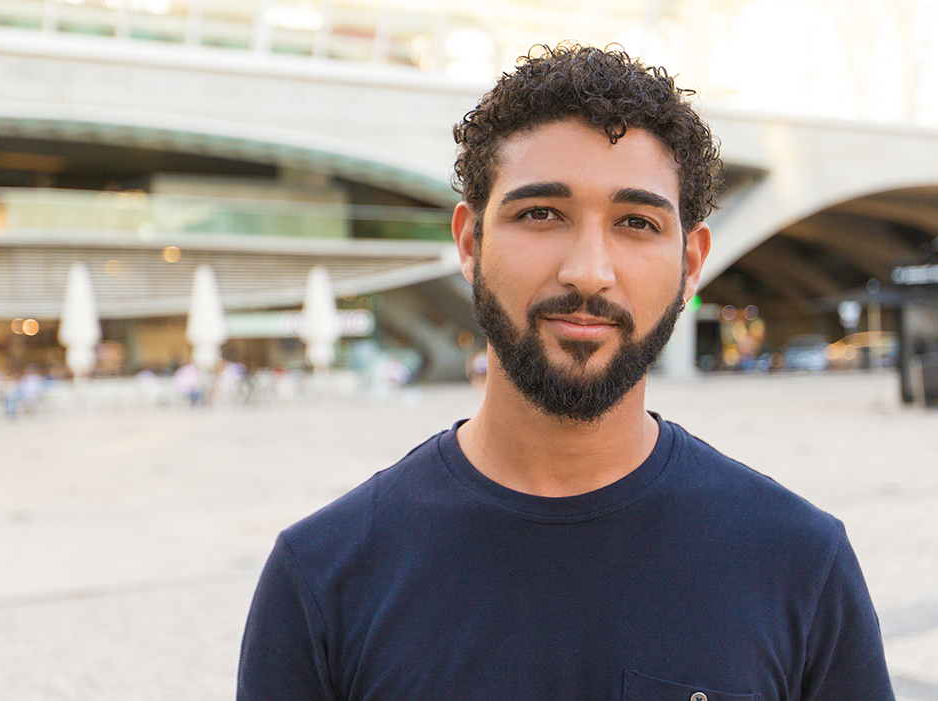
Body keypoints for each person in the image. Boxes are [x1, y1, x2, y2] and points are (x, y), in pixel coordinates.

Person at [238, 44, 894, 700]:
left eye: (636, 222)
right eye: (541, 213)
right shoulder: (324, 579)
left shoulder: (798, 563)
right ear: (471, 242)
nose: (588, 270)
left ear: (691, 264)